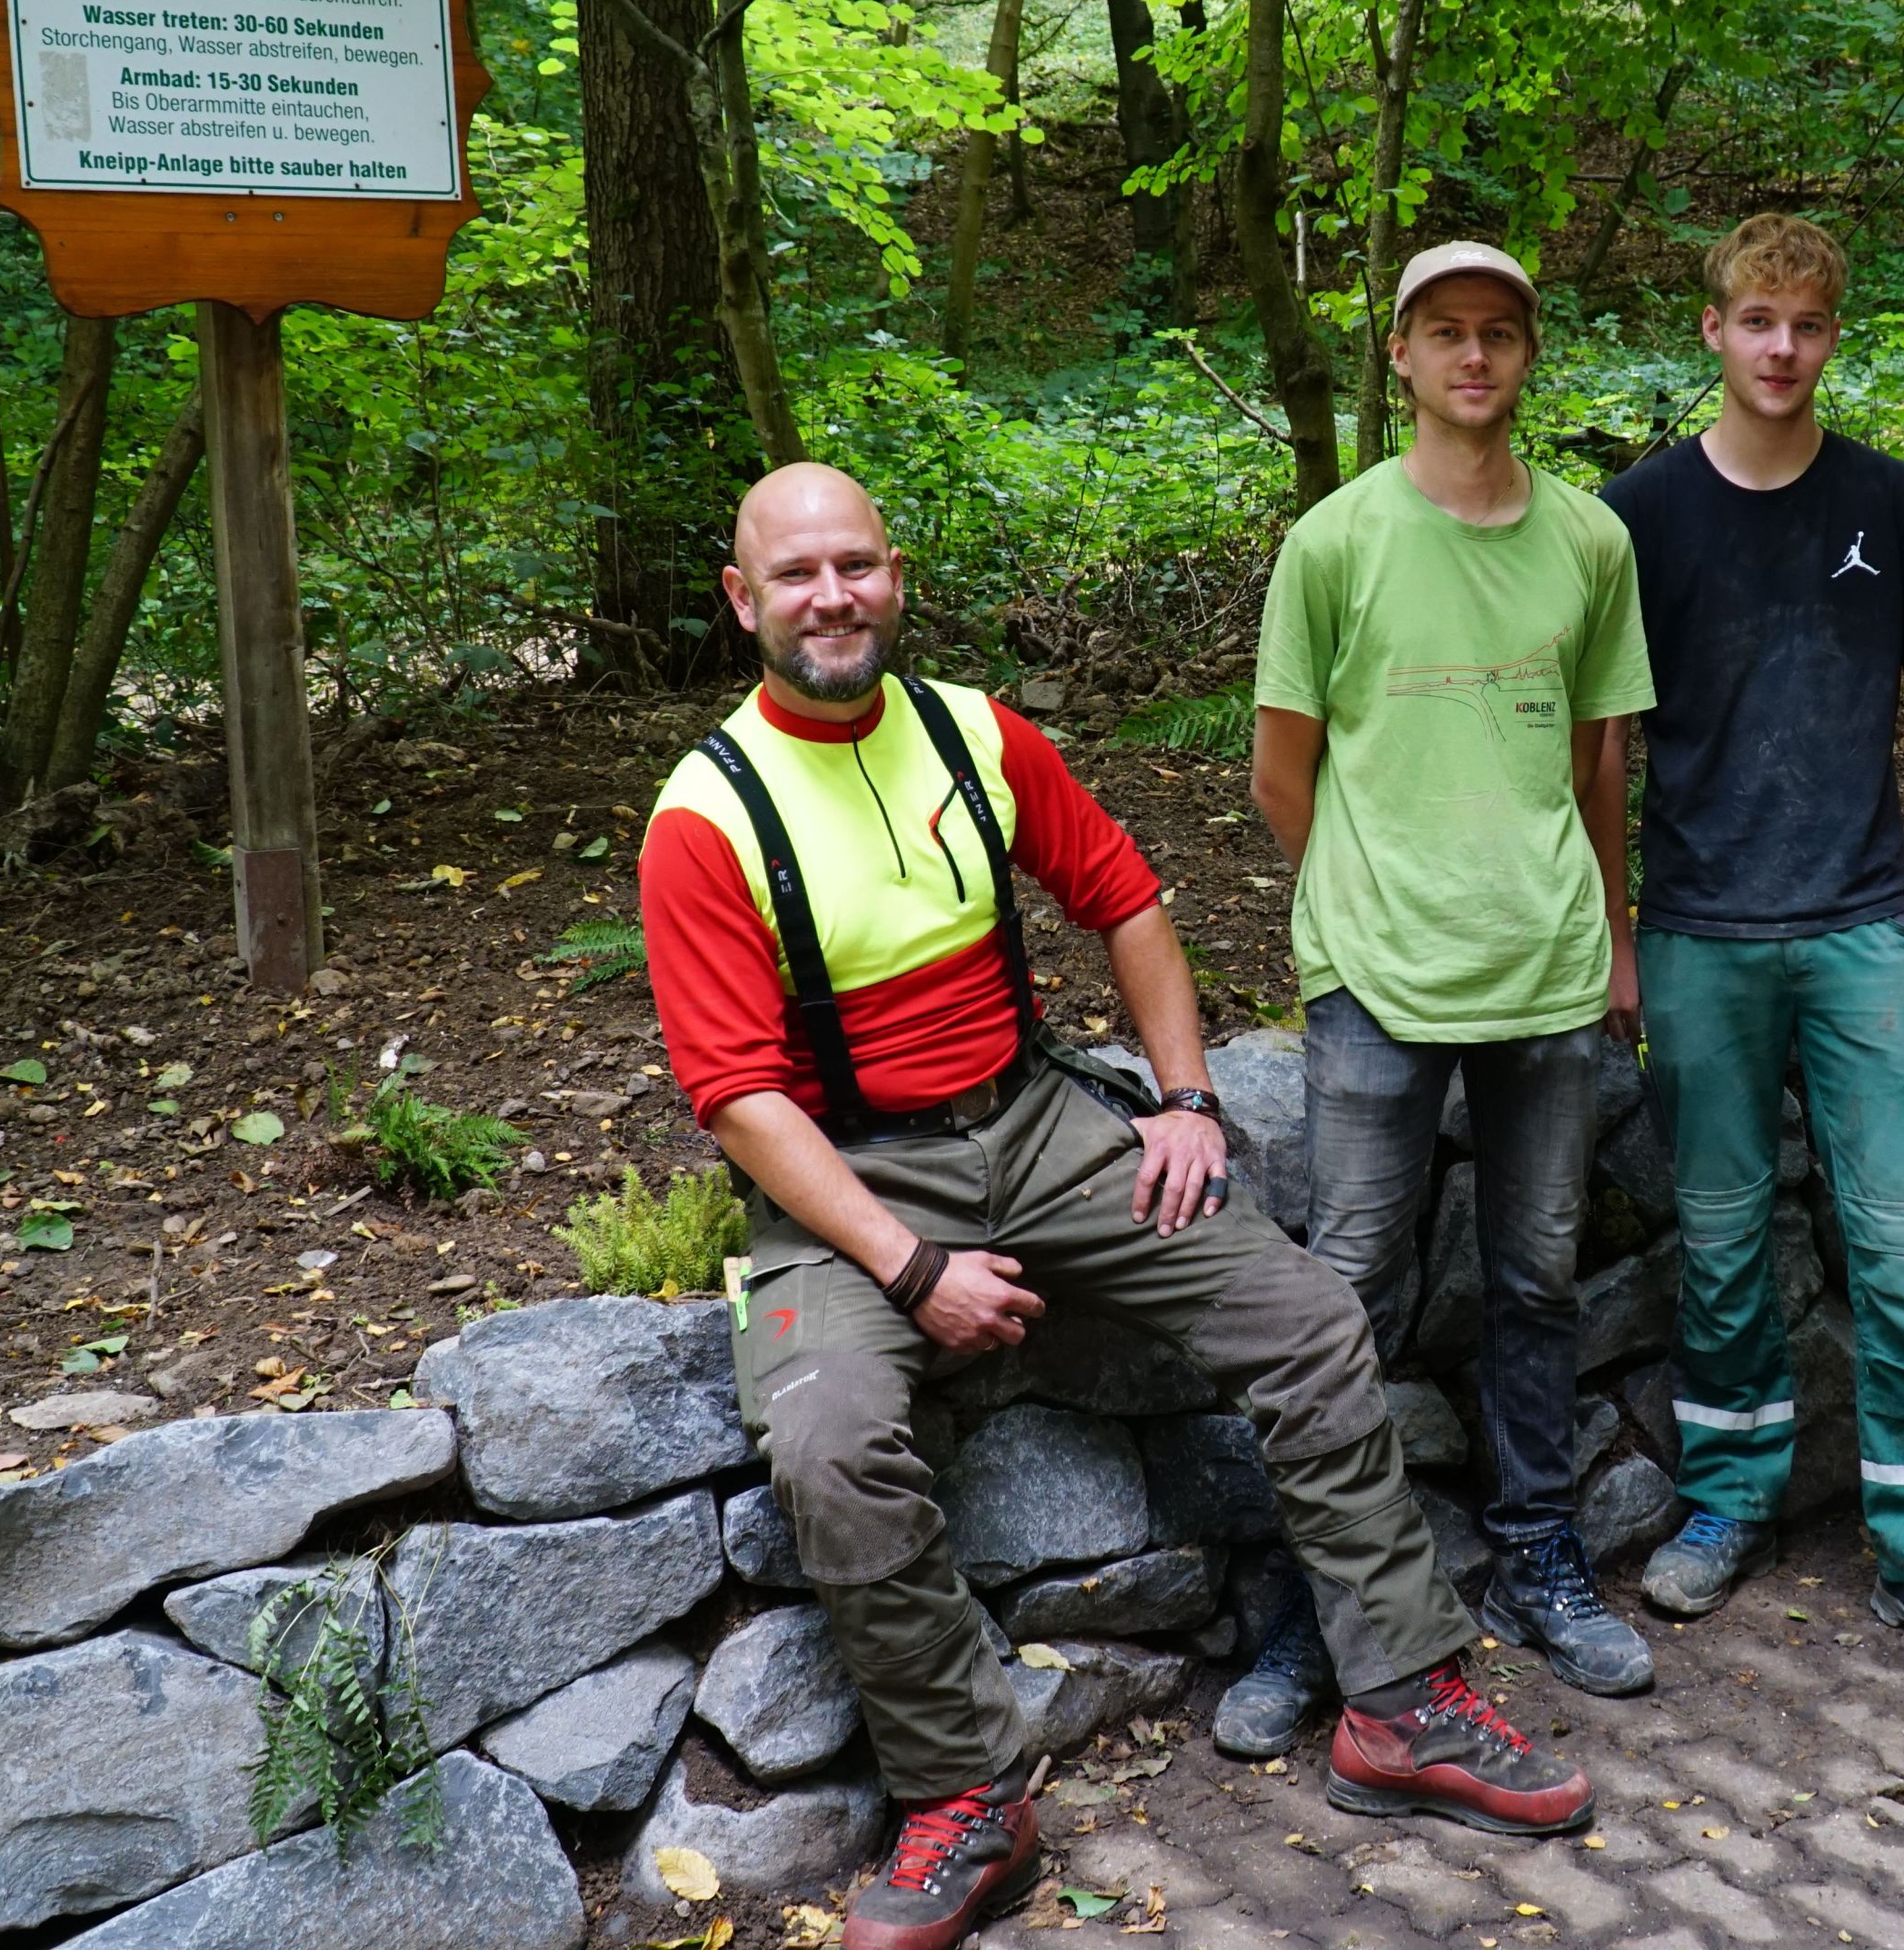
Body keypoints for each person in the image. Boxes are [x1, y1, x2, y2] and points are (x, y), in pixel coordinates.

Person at [644, 464, 1599, 1950]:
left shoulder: (973, 733)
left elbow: (1128, 901)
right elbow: (741, 1099)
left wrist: (1188, 1098)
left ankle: (1401, 1704)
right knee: (830, 1449)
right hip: (842, 1181)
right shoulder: (705, 816)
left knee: (1308, 1315)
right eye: (797, 576)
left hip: (1032, 1125)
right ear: (742, 597)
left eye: (857, 566)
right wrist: (913, 1270)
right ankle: (971, 1801)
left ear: (895, 572)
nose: (832, 598)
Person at [1221, 240, 1659, 1746]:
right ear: (1399, 356)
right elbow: (1282, 770)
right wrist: (1364, 898)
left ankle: (1540, 1553)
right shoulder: (1335, 543)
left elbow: (1599, 761)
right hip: (1376, 978)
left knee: (1536, 1277)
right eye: (1445, 332)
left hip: (1547, 967)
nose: (1475, 356)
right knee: (1345, 1296)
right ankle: (1319, 1607)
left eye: (1501, 333)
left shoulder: (1591, 540)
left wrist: (1613, 936)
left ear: (1528, 356)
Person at [1590, 213, 1904, 1674]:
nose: (1781, 347)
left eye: (1808, 324)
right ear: (1712, 330)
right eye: (1756, 320)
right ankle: (1727, 1504)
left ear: (1835, 335)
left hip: (1858, 928)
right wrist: (1616, 933)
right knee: (1717, 1245)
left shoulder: (1892, 503)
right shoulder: (1636, 514)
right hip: (1698, 932)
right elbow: (1603, 740)